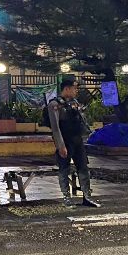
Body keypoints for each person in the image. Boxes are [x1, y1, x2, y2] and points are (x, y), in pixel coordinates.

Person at [48, 79, 101, 208]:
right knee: (64, 169)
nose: (76, 91)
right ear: (67, 89)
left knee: (83, 168)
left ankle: (87, 196)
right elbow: (55, 128)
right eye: (74, 88)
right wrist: (60, 145)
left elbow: (82, 121)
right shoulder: (55, 104)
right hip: (65, 141)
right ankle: (66, 198)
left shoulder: (74, 103)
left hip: (77, 140)